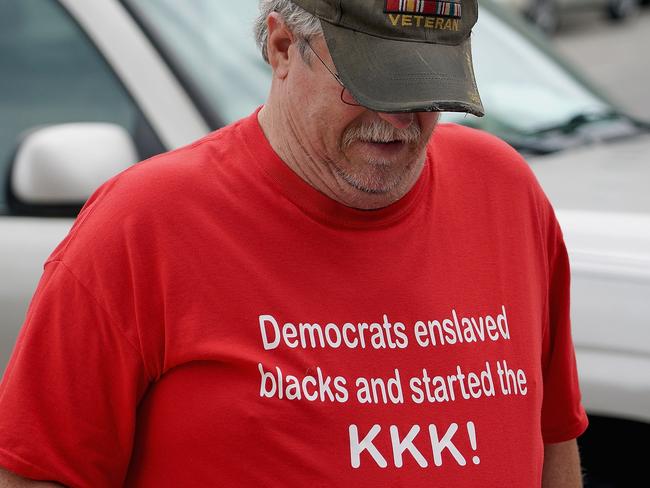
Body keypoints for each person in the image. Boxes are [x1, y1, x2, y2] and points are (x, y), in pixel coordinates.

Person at [0, 0, 588, 486]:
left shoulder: (504, 192)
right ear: (281, 47)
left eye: (426, 90)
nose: (402, 120)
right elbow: (35, 471)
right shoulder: (143, 225)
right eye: (374, 84)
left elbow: (552, 437)